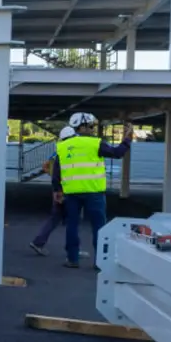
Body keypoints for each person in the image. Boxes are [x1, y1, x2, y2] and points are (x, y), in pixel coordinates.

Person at [56, 112, 132, 268]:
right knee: (99, 227)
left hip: (71, 193)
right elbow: (117, 153)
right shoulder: (95, 143)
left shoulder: (62, 146)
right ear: (82, 127)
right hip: (94, 193)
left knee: (72, 226)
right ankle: (100, 261)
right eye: (91, 126)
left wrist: (57, 190)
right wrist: (127, 139)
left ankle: (72, 259)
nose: (92, 129)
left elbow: (57, 171)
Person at [29, 125, 76, 256]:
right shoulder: (69, 151)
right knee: (73, 219)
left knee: (55, 218)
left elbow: (47, 167)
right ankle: (73, 251)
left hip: (58, 189)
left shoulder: (58, 150)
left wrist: (56, 189)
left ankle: (38, 242)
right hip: (68, 189)